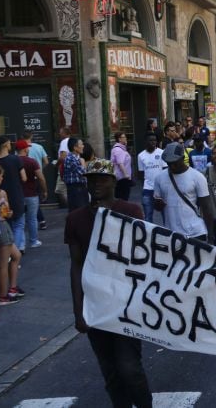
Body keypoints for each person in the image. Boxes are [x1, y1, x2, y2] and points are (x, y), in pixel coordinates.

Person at [65, 158, 153, 408]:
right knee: (110, 371)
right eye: (91, 180)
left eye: (102, 179)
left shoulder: (131, 211)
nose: (96, 185)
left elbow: (144, 256)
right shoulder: (75, 219)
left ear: (114, 182)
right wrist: (78, 310)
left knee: (129, 368)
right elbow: (76, 265)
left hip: (126, 303)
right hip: (95, 305)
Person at [153, 143, 214, 242]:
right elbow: (157, 205)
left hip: (195, 233)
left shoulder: (197, 177)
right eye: (169, 163)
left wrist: (211, 236)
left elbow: (207, 208)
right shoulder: (159, 178)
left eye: (175, 162)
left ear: (182, 158)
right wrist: (157, 204)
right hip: (171, 234)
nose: (172, 166)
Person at [0, 161, 23, 306]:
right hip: (2, 227)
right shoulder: (1, 192)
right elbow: (6, 212)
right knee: (3, 264)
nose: (2, 178)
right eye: (1, 176)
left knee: (16, 255)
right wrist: (8, 213)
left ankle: (12, 288)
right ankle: (4, 295)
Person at [0, 136, 27, 252]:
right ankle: (13, 252)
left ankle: (8, 252)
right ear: (6, 145)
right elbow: (24, 177)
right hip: (15, 195)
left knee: (5, 224)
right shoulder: (15, 159)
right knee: (19, 224)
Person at [15, 140, 46, 249]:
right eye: (27, 147)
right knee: (32, 218)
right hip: (31, 193)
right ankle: (33, 241)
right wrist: (45, 190)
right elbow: (41, 178)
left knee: (20, 221)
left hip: (18, 194)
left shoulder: (13, 161)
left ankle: (20, 245)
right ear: (25, 149)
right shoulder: (32, 161)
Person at [137, 133, 166, 224]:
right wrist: (144, 186)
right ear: (146, 141)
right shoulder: (141, 156)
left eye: (155, 140)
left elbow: (165, 170)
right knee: (148, 217)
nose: (153, 142)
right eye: (151, 140)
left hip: (161, 189)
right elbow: (141, 174)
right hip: (148, 190)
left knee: (166, 215)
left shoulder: (162, 153)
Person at [110, 132, 134, 200]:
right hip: (122, 178)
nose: (126, 138)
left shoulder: (120, 148)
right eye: (124, 137)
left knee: (122, 197)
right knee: (123, 198)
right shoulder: (118, 150)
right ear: (119, 139)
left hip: (121, 178)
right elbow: (120, 163)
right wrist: (126, 175)